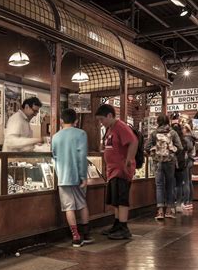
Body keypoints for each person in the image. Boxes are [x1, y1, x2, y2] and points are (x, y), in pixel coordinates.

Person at [95, 104, 138, 240]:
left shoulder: (120, 126)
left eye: (102, 119)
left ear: (109, 115)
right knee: (115, 200)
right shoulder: (110, 128)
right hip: (112, 170)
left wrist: (129, 159)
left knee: (122, 199)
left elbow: (133, 141)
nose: (101, 122)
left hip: (121, 170)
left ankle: (124, 228)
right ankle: (117, 224)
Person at [52, 108, 93, 247]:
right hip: (77, 174)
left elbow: (54, 156)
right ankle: (86, 234)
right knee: (82, 204)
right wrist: (83, 176)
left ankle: (75, 237)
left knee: (68, 207)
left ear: (61, 121)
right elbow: (82, 156)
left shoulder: (55, 136)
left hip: (63, 176)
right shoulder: (81, 133)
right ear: (76, 121)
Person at [145, 114, 183, 220]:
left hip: (157, 162)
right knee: (170, 185)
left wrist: (153, 153)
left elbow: (146, 147)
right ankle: (169, 210)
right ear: (168, 122)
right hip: (170, 161)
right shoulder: (173, 132)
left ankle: (160, 211)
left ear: (158, 122)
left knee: (159, 185)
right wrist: (172, 151)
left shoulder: (154, 133)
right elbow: (180, 147)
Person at [172, 123, 188, 213]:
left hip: (171, 164)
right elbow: (187, 151)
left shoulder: (171, 140)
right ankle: (178, 204)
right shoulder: (184, 141)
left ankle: (171, 205)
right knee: (179, 184)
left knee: (171, 185)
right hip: (181, 165)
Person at [182, 124, 196, 210]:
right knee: (189, 181)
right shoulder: (192, 138)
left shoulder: (186, 139)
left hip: (186, 161)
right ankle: (190, 201)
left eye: (182, 128)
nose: (181, 130)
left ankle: (186, 202)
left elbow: (185, 150)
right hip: (191, 161)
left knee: (186, 181)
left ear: (186, 129)